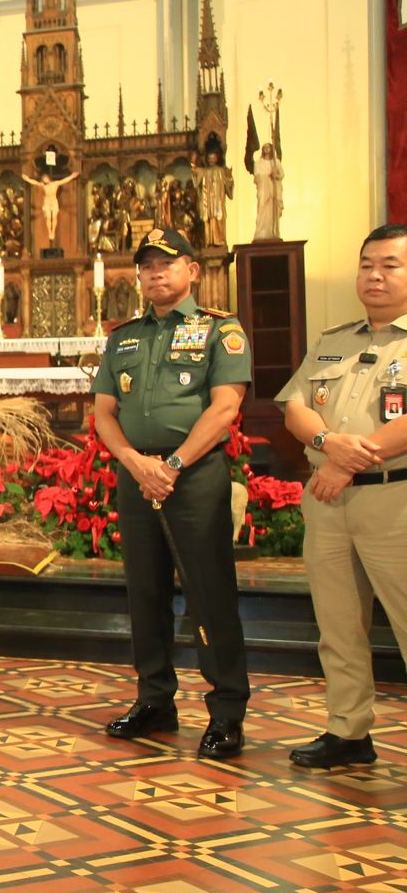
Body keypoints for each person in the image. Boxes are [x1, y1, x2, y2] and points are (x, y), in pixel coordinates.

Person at [92, 228, 252, 759]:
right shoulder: (124, 338)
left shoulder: (219, 331)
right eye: (146, 266)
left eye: (166, 263)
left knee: (209, 594)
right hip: (138, 478)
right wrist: (137, 463)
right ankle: (155, 699)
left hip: (195, 476)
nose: (155, 273)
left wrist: (175, 464)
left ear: (192, 270)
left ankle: (227, 711)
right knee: (146, 592)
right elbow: (104, 414)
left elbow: (225, 407)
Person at [274, 223, 407, 768]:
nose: (374, 275)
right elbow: (296, 406)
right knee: (338, 624)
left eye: (390, 266)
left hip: (393, 501)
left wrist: (347, 464)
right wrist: (328, 445)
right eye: (367, 264)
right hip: (329, 502)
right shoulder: (334, 341)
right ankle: (348, 731)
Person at [22, 167, 79, 251]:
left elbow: (64, 180)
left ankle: (53, 231)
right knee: (48, 217)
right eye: (43, 179)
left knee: (54, 217)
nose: (44, 180)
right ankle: (50, 232)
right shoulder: (43, 185)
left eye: (45, 178)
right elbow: (34, 182)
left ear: (48, 178)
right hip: (47, 202)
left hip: (54, 202)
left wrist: (72, 176)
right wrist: (27, 179)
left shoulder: (55, 184)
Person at [192, 149, 234, 249]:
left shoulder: (220, 170)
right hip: (208, 202)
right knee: (209, 220)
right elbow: (195, 176)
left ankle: (219, 240)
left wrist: (229, 178)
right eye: (209, 158)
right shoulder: (204, 171)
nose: (211, 160)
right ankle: (209, 241)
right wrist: (193, 164)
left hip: (218, 201)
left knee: (218, 219)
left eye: (213, 158)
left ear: (217, 159)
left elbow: (228, 183)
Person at [252, 143, 284, 241]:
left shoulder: (276, 162)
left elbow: (281, 174)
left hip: (273, 188)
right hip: (263, 188)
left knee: (272, 209)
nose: (267, 149)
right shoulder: (258, 162)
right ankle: (261, 231)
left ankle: (273, 231)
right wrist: (266, 177)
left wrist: (276, 176)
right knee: (262, 207)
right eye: (265, 148)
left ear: (271, 149)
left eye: (268, 147)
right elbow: (256, 176)